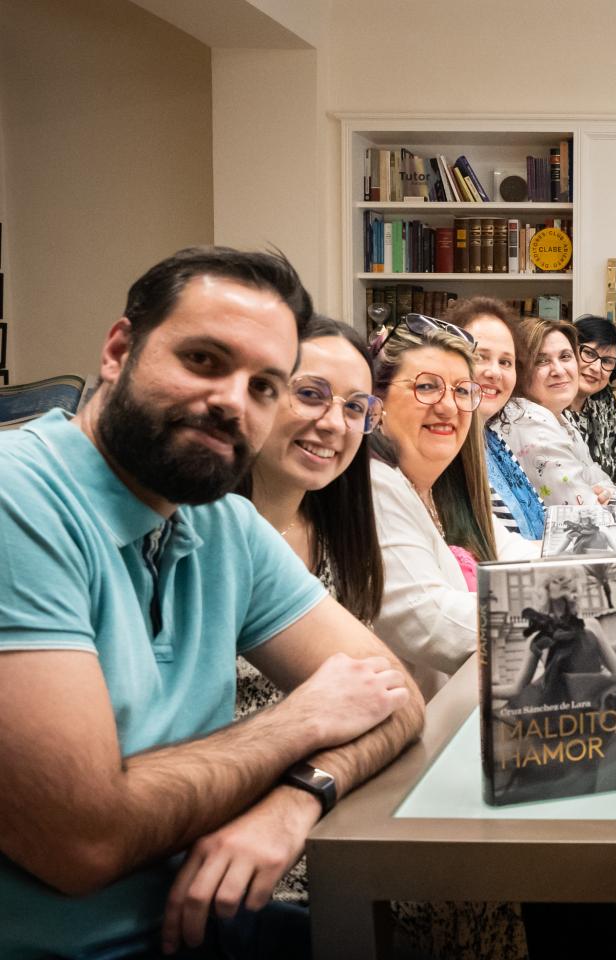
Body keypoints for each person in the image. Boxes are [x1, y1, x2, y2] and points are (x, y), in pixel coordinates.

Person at [0, 247, 422, 958]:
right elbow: (82, 841)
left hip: (202, 926)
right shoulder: (20, 500)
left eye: (264, 386)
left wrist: (299, 799)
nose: (233, 400)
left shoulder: (221, 525)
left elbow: (398, 697)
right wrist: (300, 722)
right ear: (118, 350)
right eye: (203, 360)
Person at [235, 315, 387, 905]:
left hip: (337, 786)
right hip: (243, 823)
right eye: (310, 394)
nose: (333, 422)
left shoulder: (336, 530)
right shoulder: (202, 533)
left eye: (355, 407)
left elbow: (378, 697)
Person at [368, 314, 536, 700]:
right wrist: (575, 612)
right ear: (378, 401)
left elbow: (517, 552)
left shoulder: (438, 488)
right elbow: (427, 618)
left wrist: (613, 567)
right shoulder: (375, 483)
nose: (448, 406)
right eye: (427, 387)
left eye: (462, 391)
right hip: (414, 737)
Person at [444, 298, 546, 541]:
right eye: (480, 357)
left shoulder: (493, 441)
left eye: (505, 362)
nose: (494, 372)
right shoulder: (445, 446)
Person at [490, 318, 614, 508]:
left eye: (565, 357)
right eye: (541, 360)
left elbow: (600, 481)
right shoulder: (529, 421)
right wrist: (606, 501)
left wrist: (607, 497)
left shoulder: (556, 417)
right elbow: (585, 514)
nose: (558, 370)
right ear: (520, 370)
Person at [569, 315, 616, 481]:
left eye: (607, 361)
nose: (596, 368)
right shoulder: (551, 406)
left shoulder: (604, 399)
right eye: (589, 353)